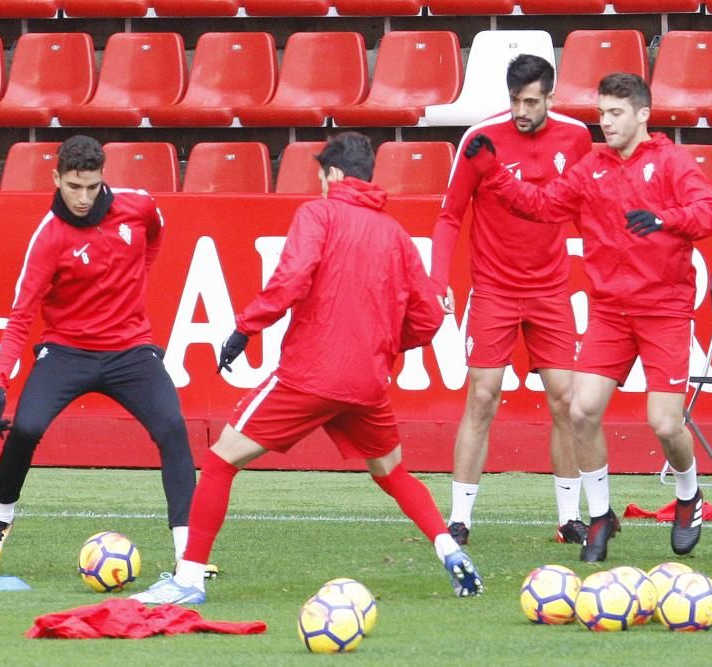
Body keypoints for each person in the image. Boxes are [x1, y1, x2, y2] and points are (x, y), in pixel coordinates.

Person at [131, 133, 483, 605]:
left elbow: (291, 278)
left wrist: (244, 328)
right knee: (393, 472)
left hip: (309, 374)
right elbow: (428, 317)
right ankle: (449, 551)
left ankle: (189, 578)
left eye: (320, 176)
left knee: (219, 460)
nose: (318, 185)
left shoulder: (318, 214)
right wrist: (380, 346)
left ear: (333, 175)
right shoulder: (394, 234)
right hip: (365, 382)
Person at [466, 73, 712, 562]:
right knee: (580, 411)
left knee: (665, 425)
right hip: (610, 311)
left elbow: (709, 212)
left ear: (643, 114)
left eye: (616, 113)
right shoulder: (592, 168)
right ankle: (601, 515)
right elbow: (541, 205)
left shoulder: (670, 161)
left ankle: (689, 495)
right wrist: (493, 171)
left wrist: (665, 219)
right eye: (602, 113)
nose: (605, 123)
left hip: (663, 309)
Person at [0, 135, 197, 570]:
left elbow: (155, 236)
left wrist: (138, 283)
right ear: (57, 178)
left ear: (102, 179)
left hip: (131, 350)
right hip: (67, 351)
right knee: (26, 428)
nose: (82, 197)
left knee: (173, 428)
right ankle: (1, 516)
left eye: (91, 187)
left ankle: (188, 554)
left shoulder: (139, 206)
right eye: (73, 186)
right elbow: (22, 313)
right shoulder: (49, 237)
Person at [431, 54, 592, 547]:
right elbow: (450, 216)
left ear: (550, 96)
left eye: (530, 101)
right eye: (514, 100)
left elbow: (587, 212)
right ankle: (459, 518)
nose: (521, 110)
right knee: (482, 397)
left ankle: (570, 518)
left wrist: (610, 268)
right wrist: (440, 278)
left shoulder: (577, 137)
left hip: (550, 291)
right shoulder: (480, 141)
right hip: (495, 290)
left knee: (566, 401)